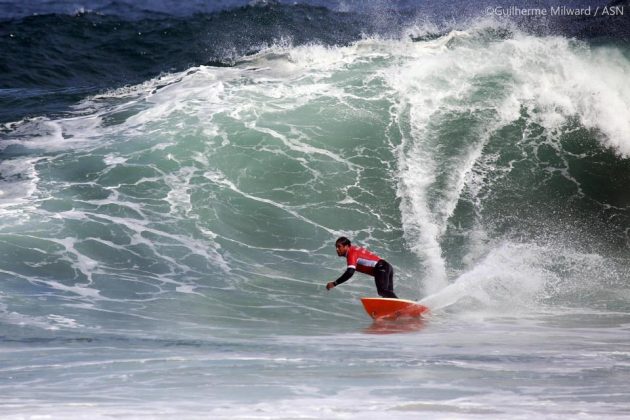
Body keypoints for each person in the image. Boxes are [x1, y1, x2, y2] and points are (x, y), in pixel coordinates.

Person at [325, 237, 398, 298]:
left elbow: (350, 272)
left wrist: (335, 283)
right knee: (387, 295)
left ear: (346, 246)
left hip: (381, 268)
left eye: (339, 246)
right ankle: (398, 311)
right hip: (386, 267)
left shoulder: (351, 253)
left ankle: (399, 306)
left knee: (382, 291)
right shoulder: (354, 250)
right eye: (336, 247)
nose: (337, 249)